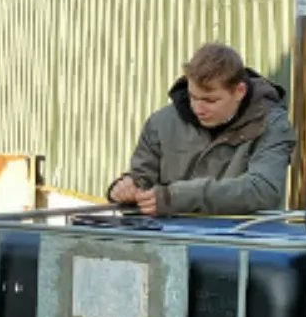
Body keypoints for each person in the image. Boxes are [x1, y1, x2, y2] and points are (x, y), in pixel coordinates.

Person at [108, 42, 296, 216]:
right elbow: (142, 180)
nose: (198, 108)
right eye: (193, 97)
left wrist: (181, 197)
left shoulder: (272, 125)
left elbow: (263, 190)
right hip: (168, 243)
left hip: (243, 242)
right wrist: (125, 189)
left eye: (210, 100)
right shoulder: (161, 123)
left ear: (240, 91)